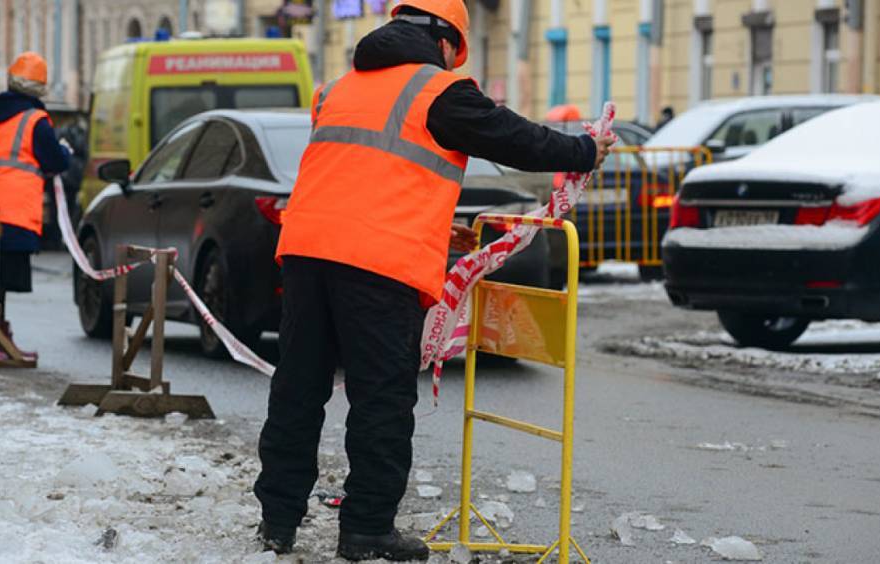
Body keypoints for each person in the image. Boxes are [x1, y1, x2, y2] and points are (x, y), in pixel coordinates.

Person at [254, 1, 614, 560]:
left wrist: (442, 237)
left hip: (305, 252)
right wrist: (585, 150)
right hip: (376, 268)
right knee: (381, 399)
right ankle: (367, 530)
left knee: (298, 390)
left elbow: (366, 179)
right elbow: (514, 138)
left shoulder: (341, 88)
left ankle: (276, 522)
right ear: (446, 41)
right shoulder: (437, 90)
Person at [0, 52, 70, 358]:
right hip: (13, 208)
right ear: (40, 88)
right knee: (3, 277)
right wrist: (64, 152)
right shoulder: (34, 120)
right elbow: (53, 160)